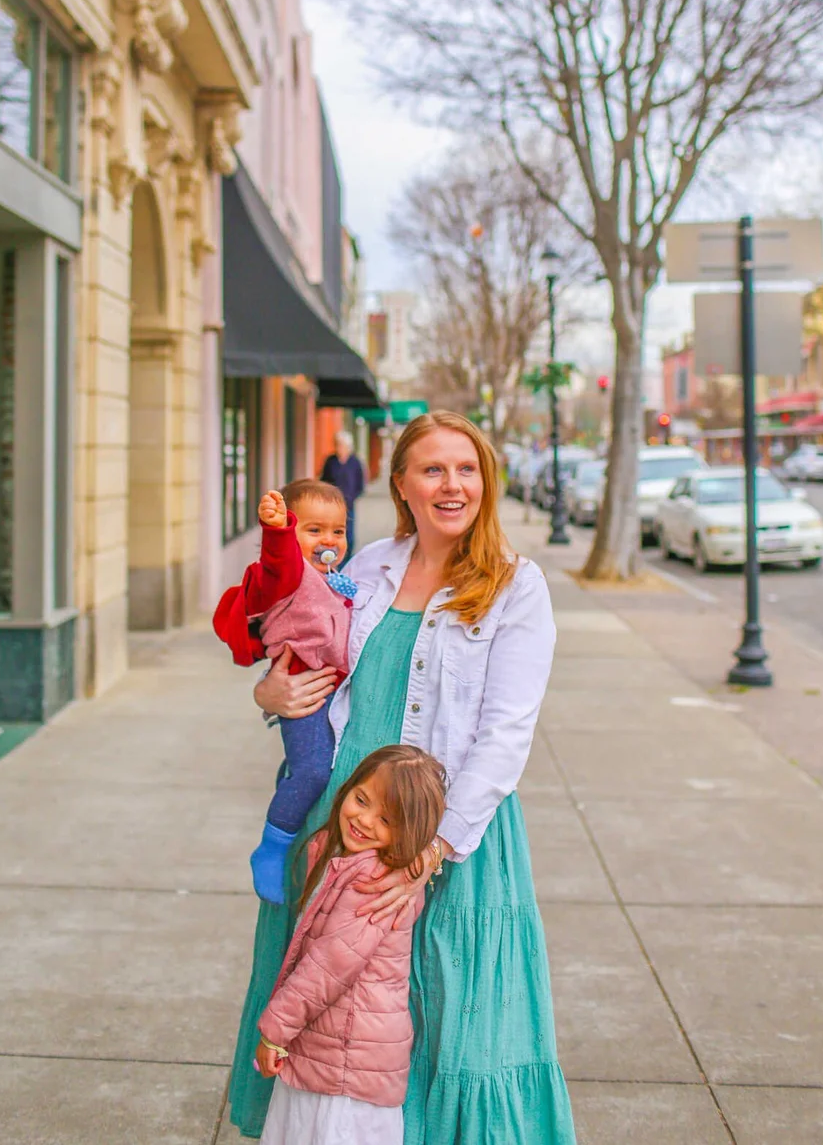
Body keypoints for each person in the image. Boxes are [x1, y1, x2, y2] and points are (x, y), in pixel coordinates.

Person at [229, 410, 577, 1144]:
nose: (453, 485)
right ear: (401, 486)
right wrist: (270, 693)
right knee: (331, 1000)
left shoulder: (516, 586)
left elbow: (506, 734)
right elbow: (300, 643)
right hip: (344, 817)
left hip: (444, 833)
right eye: (433, 469)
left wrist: (433, 848)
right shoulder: (366, 568)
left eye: (467, 468)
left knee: (450, 1010)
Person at [255, 744, 447, 1145]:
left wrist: (275, 1031)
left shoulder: (371, 882)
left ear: (408, 832)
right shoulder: (346, 860)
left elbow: (327, 968)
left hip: (346, 1058)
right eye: (361, 800)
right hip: (338, 1049)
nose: (363, 819)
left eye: (386, 819)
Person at [213, 479, 356, 904]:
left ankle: (287, 789)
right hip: (304, 691)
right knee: (314, 772)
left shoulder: (331, 578)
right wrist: (277, 531)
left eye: (338, 530)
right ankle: (273, 847)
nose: (329, 540)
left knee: (310, 766)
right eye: (313, 530)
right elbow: (279, 562)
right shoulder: (289, 577)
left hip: (329, 691)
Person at [320, 431, 365, 561]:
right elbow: (324, 481)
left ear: (348, 446)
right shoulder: (331, 461)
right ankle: (333, 559)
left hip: (348, 505)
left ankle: (347, 560)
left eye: (341, 445)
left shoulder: (355, 462)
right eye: (337, 444)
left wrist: (352, 496)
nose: (338, 447)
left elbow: (360, 484)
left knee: (348, 535)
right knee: (332, 532)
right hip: (332, 505)